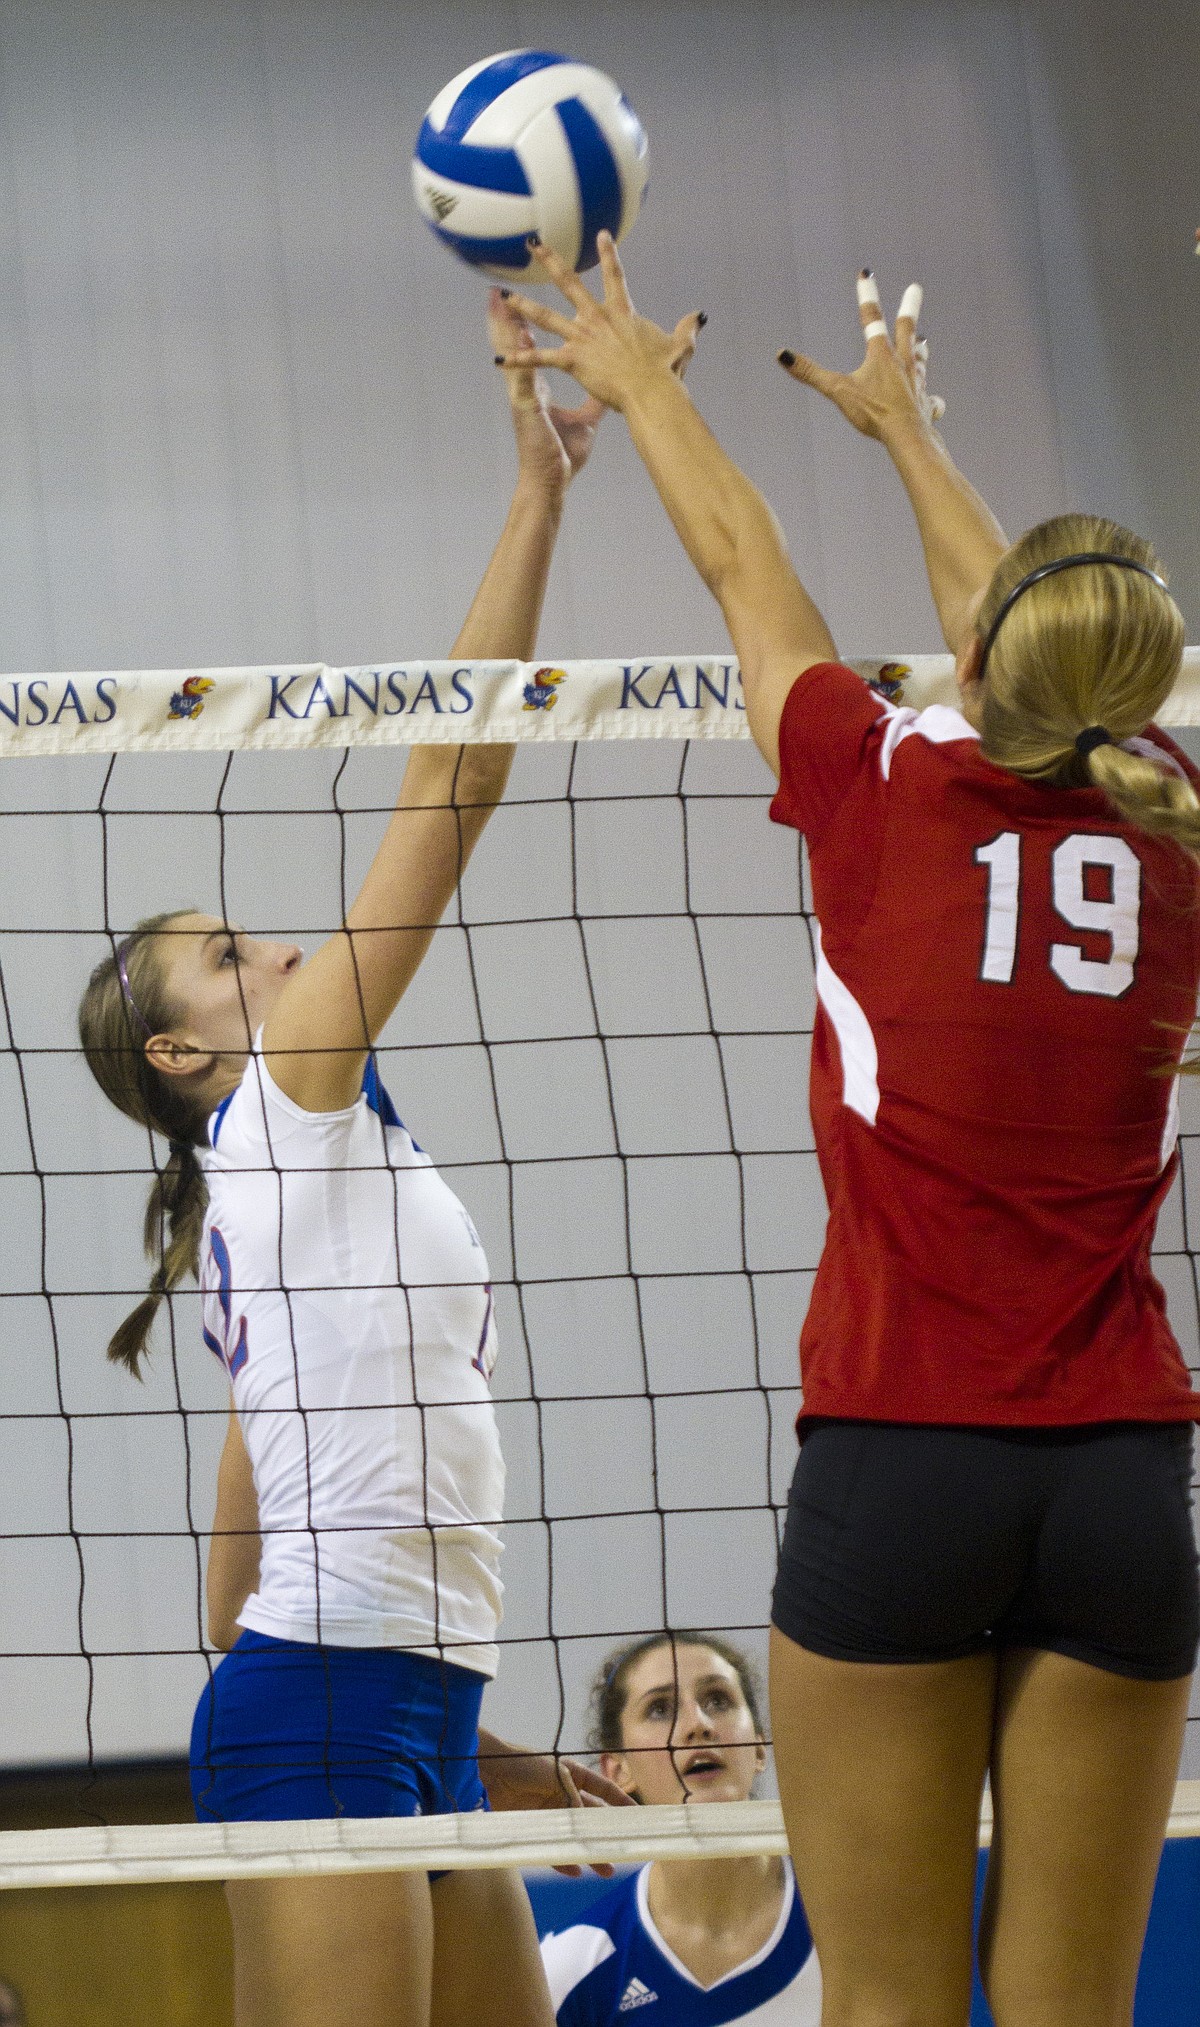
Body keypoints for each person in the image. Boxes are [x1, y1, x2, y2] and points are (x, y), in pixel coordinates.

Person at [502, 236, 1200, 2027]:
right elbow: (1050, 669)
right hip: (1125, 1478)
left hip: (905, 1457)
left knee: (888, 2008)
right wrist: (910, 439)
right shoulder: (1181, 828)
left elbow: (749, 565)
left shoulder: (883, 788)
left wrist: (643, 378)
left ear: (985, 654)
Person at [77, 290, 627, 2027]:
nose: (280, 957)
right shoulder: (283, 1095)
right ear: (184, 1051)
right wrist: (535, 499)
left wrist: (482, 1732)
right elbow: (451, 779)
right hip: (329, 1710)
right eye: (230, 956)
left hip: (413, 1701)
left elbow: (232, 1585)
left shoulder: (304, 1179)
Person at [540, 1633, 821, 2024]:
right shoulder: (571, 1968)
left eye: (718, 1701)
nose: (698, 1725)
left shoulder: (851, 1920)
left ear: (759, 1746)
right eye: (659, 1709)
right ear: (618, 1770)